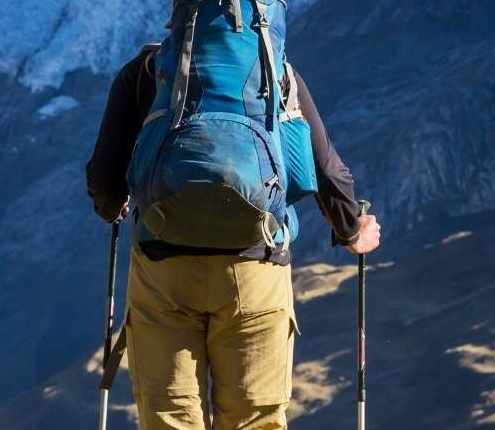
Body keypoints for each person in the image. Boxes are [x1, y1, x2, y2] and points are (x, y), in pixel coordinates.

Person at [88, 36, 380, 430]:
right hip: (256, 266)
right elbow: (327, 170)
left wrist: (113, 205)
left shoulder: (147, 71)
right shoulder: (277, 71)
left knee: (170, 417)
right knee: (253, 419)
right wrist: (352, 231)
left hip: (165, 269)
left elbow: (104, 181)